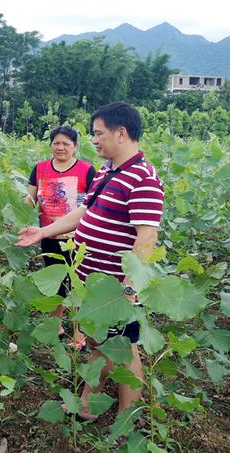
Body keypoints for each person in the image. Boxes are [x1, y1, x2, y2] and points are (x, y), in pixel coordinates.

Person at [16, 102, 164, 419]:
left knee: (119, 350)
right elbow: (86, 212)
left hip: (114, 287)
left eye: (98, 134)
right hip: (95, 281)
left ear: (120, 133)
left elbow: (147, 238)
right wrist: (44, 232)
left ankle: (118, 413)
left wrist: (128, 288)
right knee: (108, 345)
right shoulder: (110, 171)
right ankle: (95, 405)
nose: (94, 140)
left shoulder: (143, 178)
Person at [26, 125, 96, 348]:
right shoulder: (40, 169)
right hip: (47, 235)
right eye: (56, 143)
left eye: (66, 143)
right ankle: (55, 326)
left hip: (77, 238)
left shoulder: (87, 170)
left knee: (77, 284)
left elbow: (92, 205)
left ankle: (79, 333)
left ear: (75, 147)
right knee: (55, 283)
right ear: (50, 145)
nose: (61, 147)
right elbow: (30, 200)